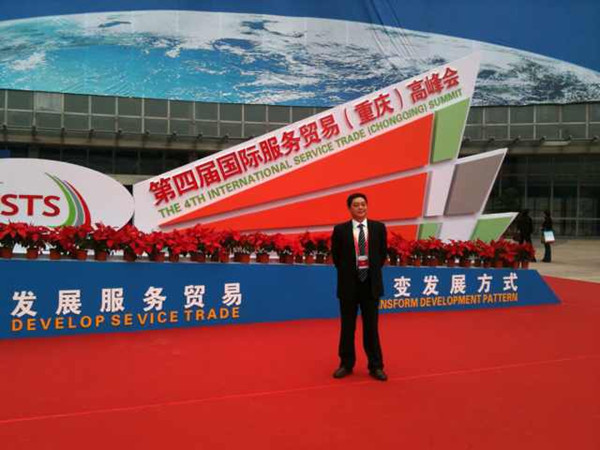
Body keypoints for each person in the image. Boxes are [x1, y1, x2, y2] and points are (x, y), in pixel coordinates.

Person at [331, 193, 388, 381]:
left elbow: (381, 255)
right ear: (350, 208)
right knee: (347, 327)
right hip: (349, 285)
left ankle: (376, 366)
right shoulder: (340, 230)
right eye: (356, 205)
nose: (360, 207)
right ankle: (346, 364)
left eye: (363, 204)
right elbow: (337, 257)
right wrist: (352, 272)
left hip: (370, 285)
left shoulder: (378, 228)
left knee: (371, 327)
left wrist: (368, 271)